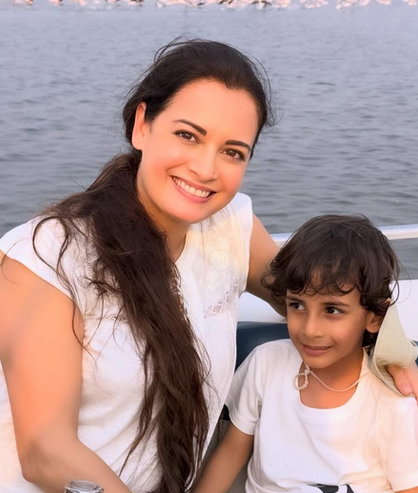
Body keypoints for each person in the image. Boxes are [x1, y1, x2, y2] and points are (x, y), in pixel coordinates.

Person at [0, 40, 416, 493]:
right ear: (142, 125)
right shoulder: (48, 255)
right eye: (188, 136)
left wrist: (393, 353)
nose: (205, 169)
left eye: (232, 152)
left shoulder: (230, 226)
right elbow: (45, 449)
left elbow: (321, 294)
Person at [194, 215, 418, 493]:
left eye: (332, 310)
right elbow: (231, 453)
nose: (310, 329)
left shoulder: (392, 403)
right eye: (297, 305)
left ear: (374, 317)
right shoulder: (266, 363)